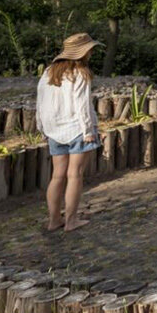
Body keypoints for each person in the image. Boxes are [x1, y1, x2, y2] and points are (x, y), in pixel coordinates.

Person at [36, 32, 102, 232]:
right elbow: (81, 105)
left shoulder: (49, 71)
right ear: (83, 52)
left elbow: (40, 102)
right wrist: (88, 130)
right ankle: (71, 221)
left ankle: (54, 220)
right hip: (76, 129)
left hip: (54, 130)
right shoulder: (81, 72)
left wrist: (41, 127)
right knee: (75, 175)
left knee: (57, 176)